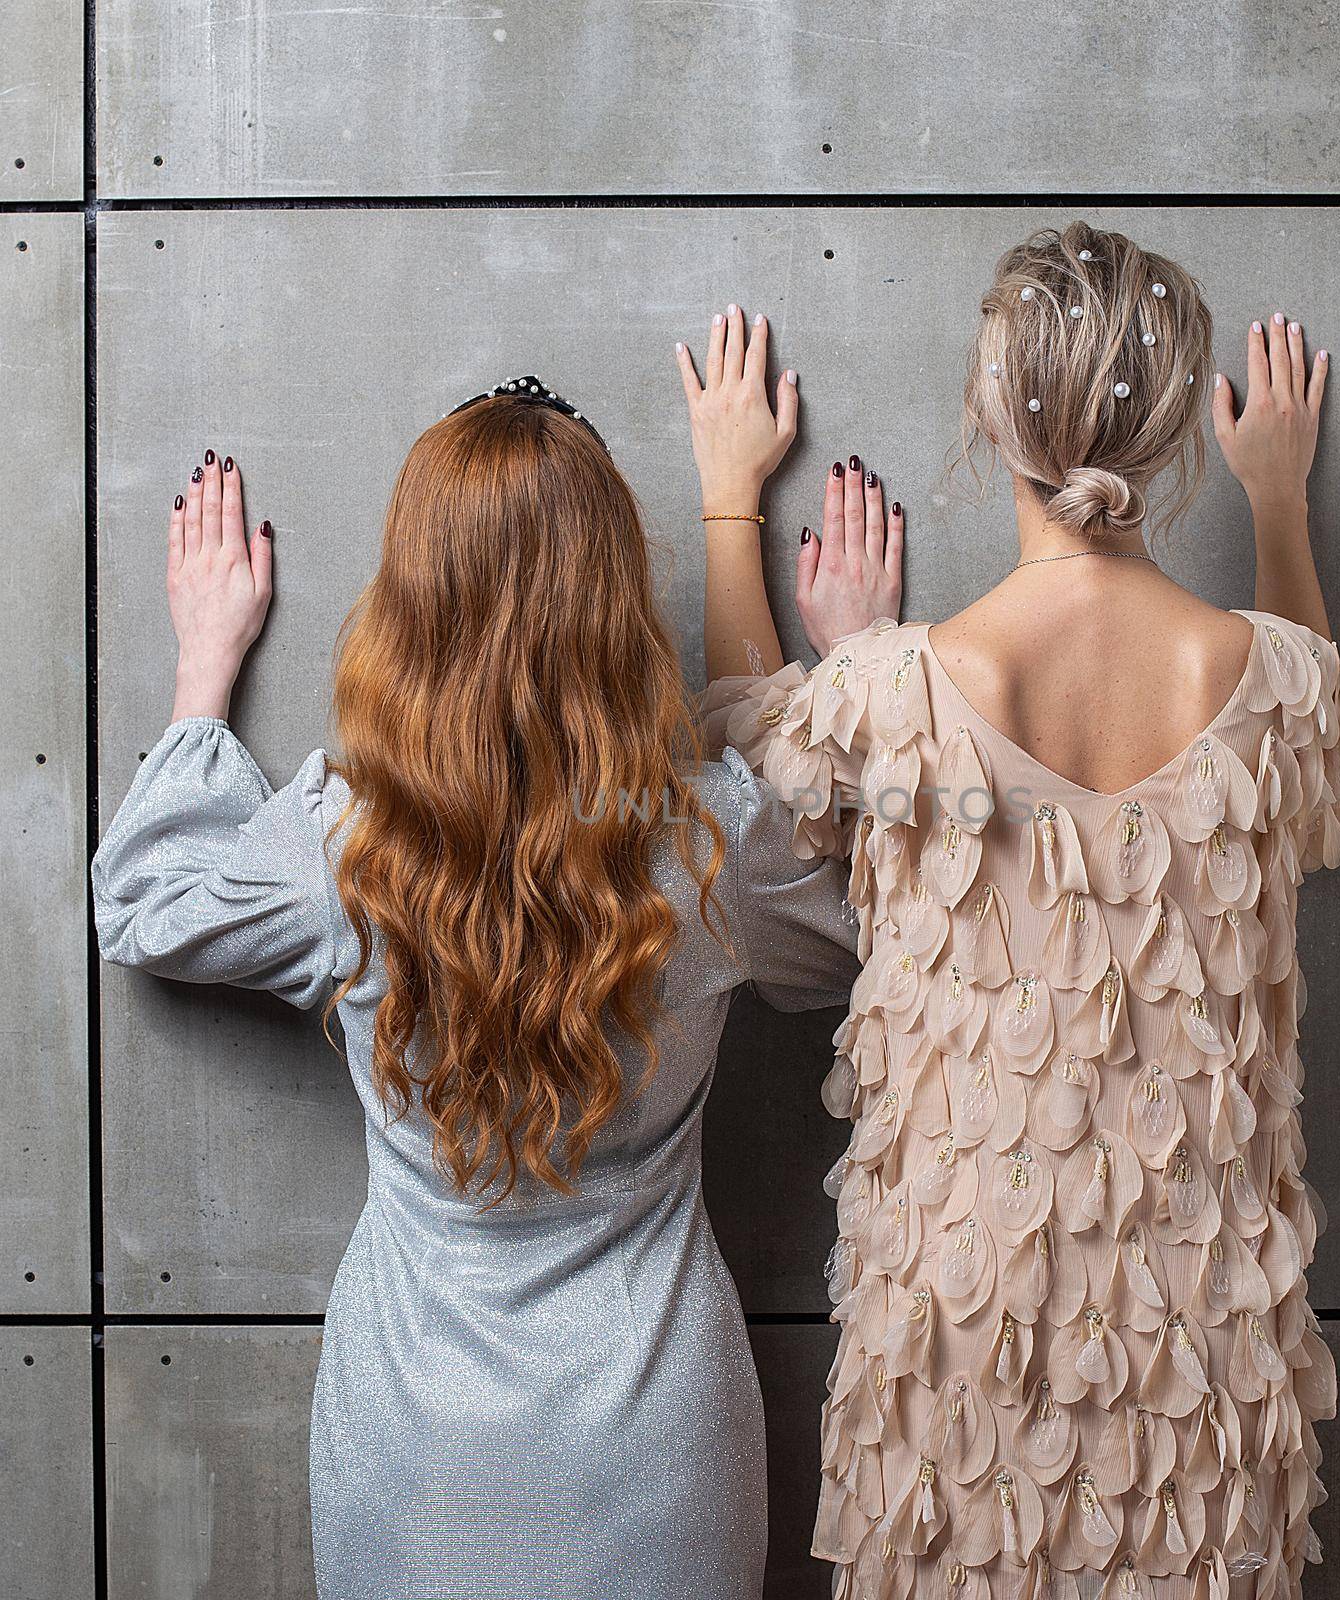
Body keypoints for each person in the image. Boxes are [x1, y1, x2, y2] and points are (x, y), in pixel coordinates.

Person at [680, 223, 1340, 1598]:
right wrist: (1281, 507)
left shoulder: (894, 694)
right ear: (1179, 428)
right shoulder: (1274, 687)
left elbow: (754, 771)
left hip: (959, 1345)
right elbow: (1320, 738)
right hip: (1202, 1360)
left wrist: (726, 502)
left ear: (988, 416)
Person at [91, 380, 877, 1600]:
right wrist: (845, 670)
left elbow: (142, 898)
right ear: (614, 601)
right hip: (656, 1430)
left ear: (410, 600)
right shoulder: (707, 843)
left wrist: (204, 666)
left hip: (413, 1445)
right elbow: (882, 929)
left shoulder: (347, 849)